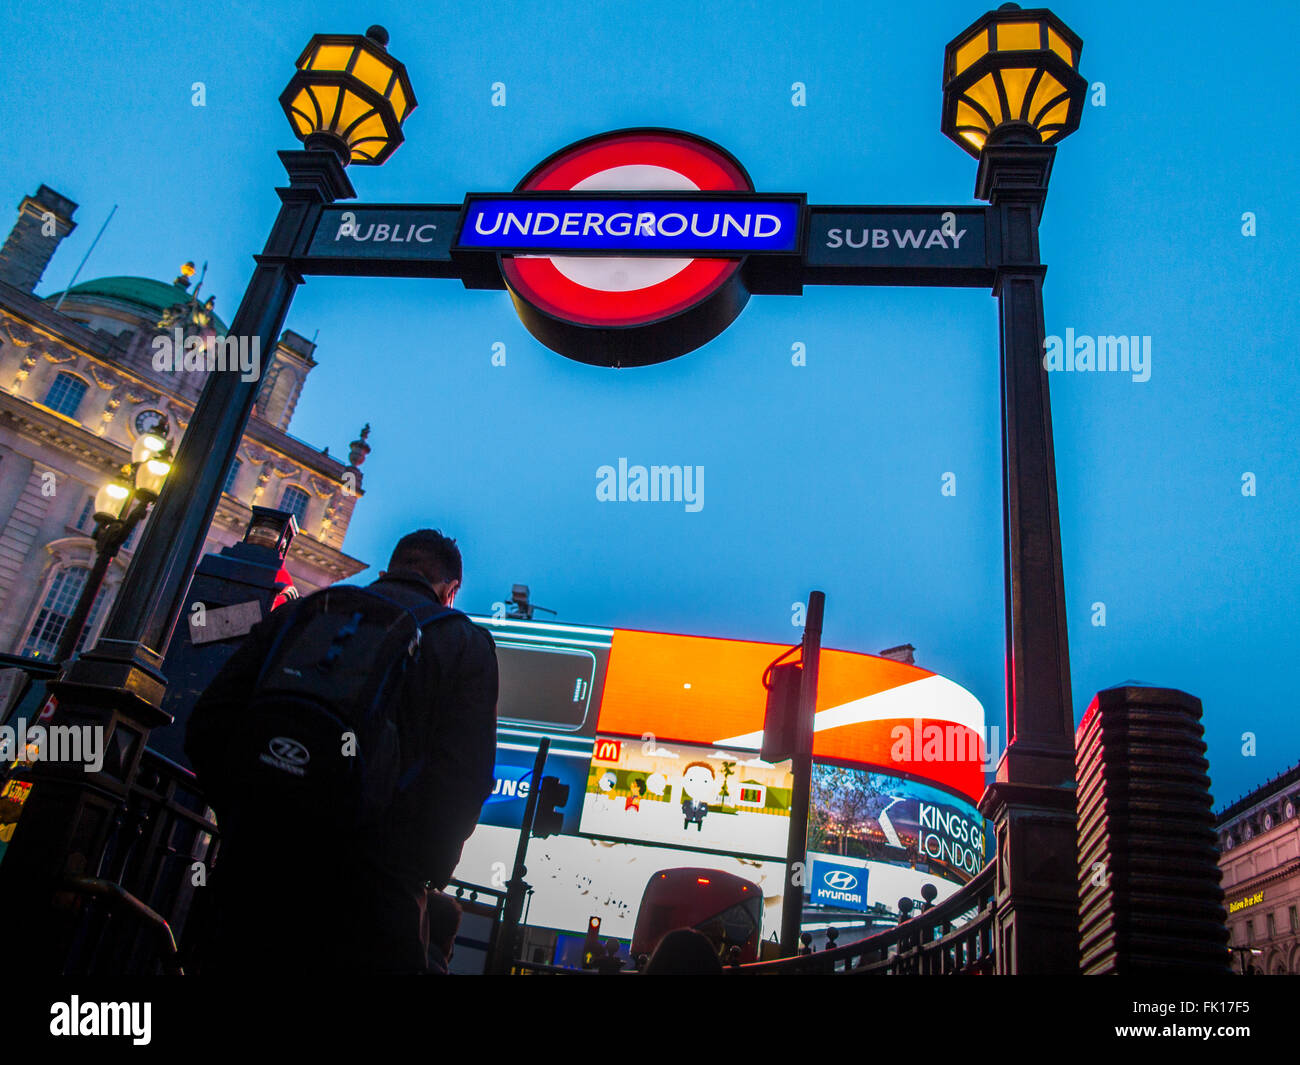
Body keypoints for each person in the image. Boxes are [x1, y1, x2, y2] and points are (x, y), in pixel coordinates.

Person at [185, 528, 498, 974]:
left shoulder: (304, 612)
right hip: (371, 897)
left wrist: (244, 815)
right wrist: (421, 869)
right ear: (450, 591)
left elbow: (209, 721)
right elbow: (465, 778)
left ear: (388, 569)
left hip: (252, 874)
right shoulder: (464, 644)